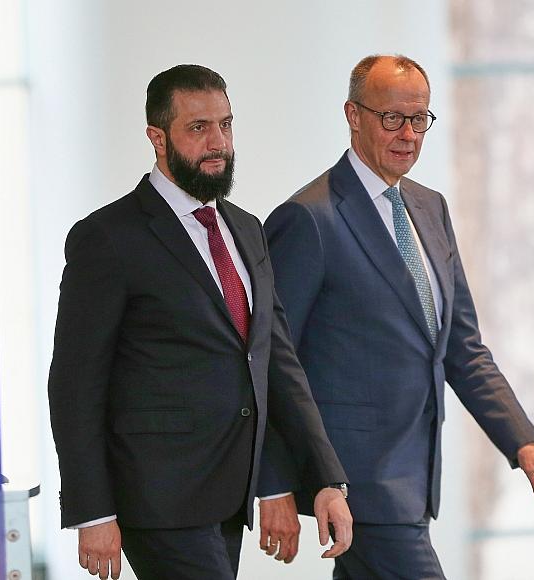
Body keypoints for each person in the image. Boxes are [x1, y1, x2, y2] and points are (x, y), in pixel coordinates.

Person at [257, 54, 534, 579]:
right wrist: (274, 485)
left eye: (419, 118)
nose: (408, 134)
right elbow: (270, 362)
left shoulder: (430, 207)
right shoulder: (308, 218)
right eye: (392, 117)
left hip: (416, 477)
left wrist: (523, 442)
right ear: (353, 116)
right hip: (355, 482)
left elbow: (461, 347)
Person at [47, 64, 352, 580]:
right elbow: (75, 384)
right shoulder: (107, 237)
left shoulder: (247, 230)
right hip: (155, 501)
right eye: (198, 128)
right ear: (157, 138)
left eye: (225, 125)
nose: (218, 143)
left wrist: (323, 478)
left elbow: (277, 364)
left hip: (229, 498)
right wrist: (92, 512)